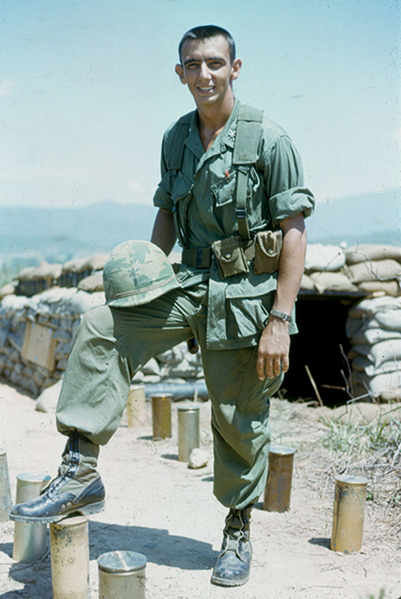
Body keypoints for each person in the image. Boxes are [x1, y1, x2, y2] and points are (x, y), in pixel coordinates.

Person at [10, 25, 314, 587]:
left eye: (215, 64)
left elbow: (294, 231)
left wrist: (280, 318)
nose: (205, 75)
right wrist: (146, 277)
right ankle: (80, 469)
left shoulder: (269, 138)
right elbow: (168, 215)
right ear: (180, 73)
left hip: (247, 296)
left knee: (236, 416)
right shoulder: (175, 138)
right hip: (189, 281)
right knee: (103, 326)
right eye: (193, 65)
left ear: (236, 68)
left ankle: (238, 528)